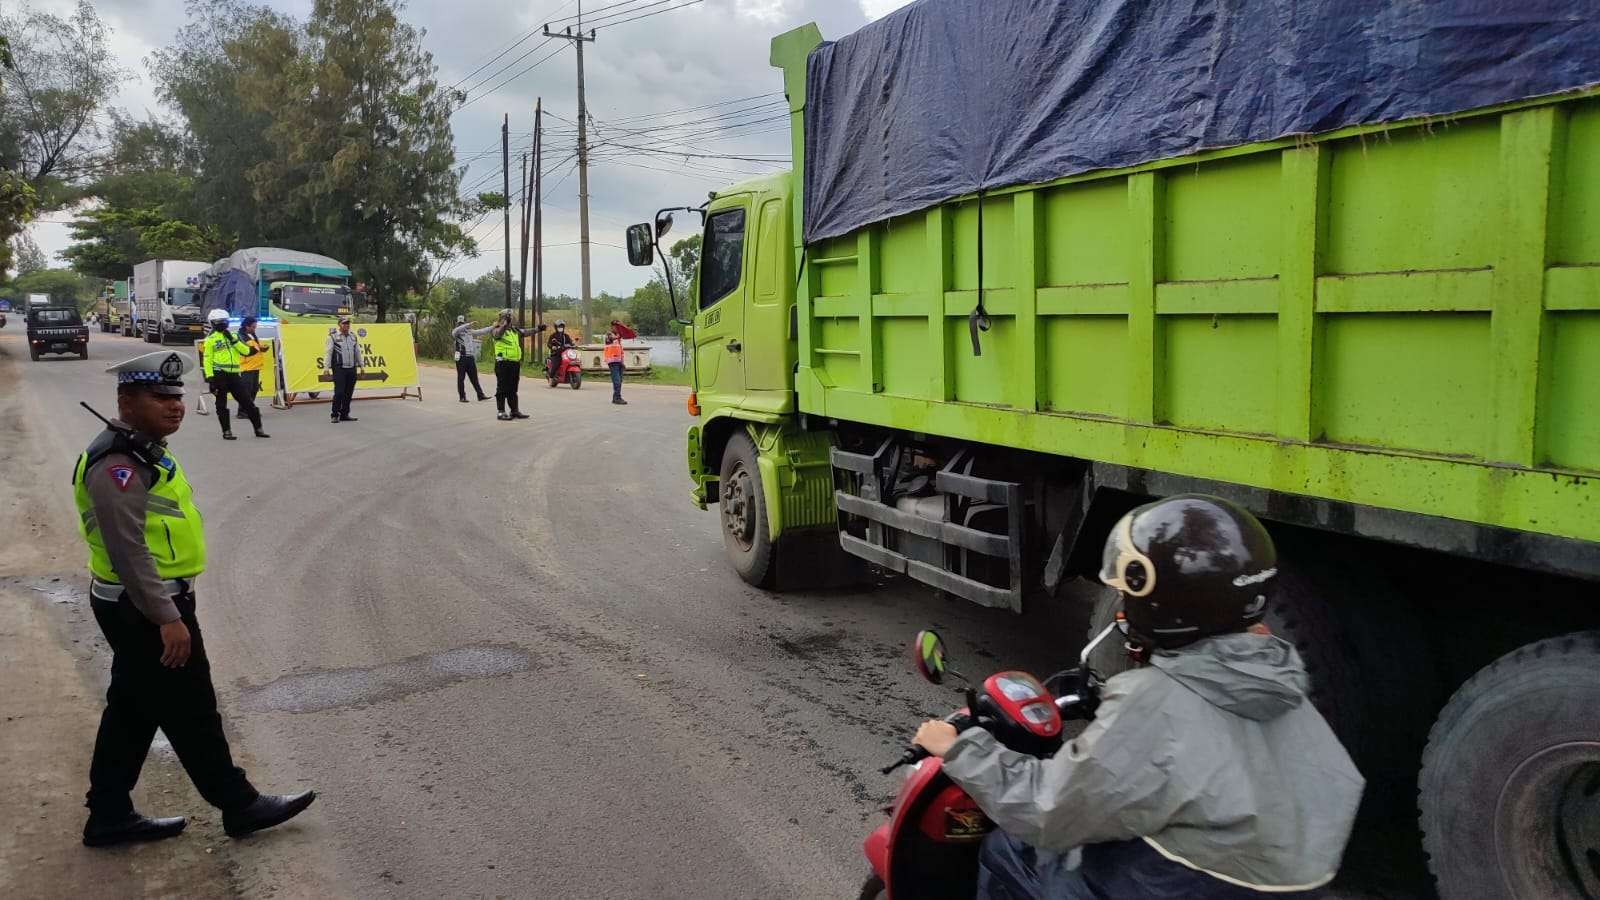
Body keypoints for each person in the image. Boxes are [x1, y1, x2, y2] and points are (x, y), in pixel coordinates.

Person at [913, 495, 1364, 899]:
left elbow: (1049, 811)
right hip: (1286, 881)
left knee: (1007, 849)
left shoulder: (1157, 701)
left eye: (1128, 594)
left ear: (1158, 604)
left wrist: (961, 748)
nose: (1123, 607)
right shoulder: (1277, 677)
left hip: (1191, 885)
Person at [73, 350, 315, 848]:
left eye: (177, 396)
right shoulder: (117, 464)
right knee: (193, 709)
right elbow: (128, 551)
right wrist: (167, 616)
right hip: (144, 606)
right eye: (159, 397)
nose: (174, 405)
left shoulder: (143, 449)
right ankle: (239, 804)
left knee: (133, 709)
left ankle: (109, 813)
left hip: (140, 603)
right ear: (126, 401)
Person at [200, 309, 269, 440]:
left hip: (234, 376)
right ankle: (227, 432)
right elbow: (207, 359)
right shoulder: (210, 340)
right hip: (219, 375)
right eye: (219, 322)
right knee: (221, 405)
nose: (223, 324)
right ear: (213, 323)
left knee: (247, 402)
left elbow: (245, 351)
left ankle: (258, 429)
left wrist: (233, 340)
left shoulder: (234, 336)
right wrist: (210, 378)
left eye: (225, 321)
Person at [490, 308, 534, 421]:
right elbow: (497, 335)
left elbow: (526, 332)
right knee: (502, 388)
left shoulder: (514, 331)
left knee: (513, 389)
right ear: (502, 318)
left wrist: (538, 329)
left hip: (514, 363)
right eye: (508, 317)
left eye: (511, 317)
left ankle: (514, 411)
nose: (510, 319)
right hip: (503, 363)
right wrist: (504, 325)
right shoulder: (496, 329)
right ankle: (501, 412)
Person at [322, 315, 364, 423]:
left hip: (351, 368)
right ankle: (334, 414)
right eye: (344, 323)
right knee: (339, 392)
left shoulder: (353, 336)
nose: (346, 325)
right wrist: (326, 368)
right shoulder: (333, 337)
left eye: (348, 323)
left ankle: (344, 414)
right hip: (339, 368)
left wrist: (362, 366)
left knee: (348, 392)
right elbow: (328, 353)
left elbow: (358, 352)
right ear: (339, 325)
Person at [451, 314, 492, 403]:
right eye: (460, 323)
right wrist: (467, 325)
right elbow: (456, 330)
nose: (461, 324)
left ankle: (480, 395)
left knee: (474, 378)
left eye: (462, 322)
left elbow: (482, 331)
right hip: (461, 358)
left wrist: (493, 327)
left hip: (470, 358)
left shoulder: (469, 331)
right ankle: (462, 397)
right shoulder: (456, 332)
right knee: (461, 378)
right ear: (457, 323)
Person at [236, 316, 267, 406]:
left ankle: (249, 408)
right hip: (247, 367)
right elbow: (247, 350)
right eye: (253, 327)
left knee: (254, 388)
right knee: (246, 390)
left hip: (255, 366)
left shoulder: (251, 334)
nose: (254, 329)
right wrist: (258, 348)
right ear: (247, 326)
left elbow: (254, 347)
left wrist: (261, 348)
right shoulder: (241, 336)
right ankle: (242, 411)